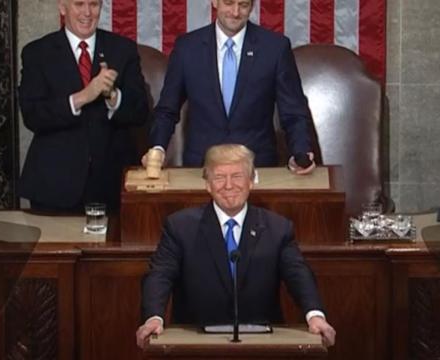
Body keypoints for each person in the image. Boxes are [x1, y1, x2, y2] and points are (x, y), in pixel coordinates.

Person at [136, 144, 335, 348]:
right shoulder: (180, 227)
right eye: (220, 177)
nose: (228, 185)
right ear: (207, 184)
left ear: (251, 182)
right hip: (196, 343)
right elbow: (160, 274)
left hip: (262, 344)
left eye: (237, 176)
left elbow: (298, 274)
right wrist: (154, 318)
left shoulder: (277, 228)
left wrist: (315, 315)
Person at [143, 0, 316, 175]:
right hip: (201, 168)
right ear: (215, 2)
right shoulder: (187, 48)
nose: (235, 12)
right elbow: (167, 109)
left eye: (243, 5)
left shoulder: (275, 48)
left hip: (257, 168)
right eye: (229, 3)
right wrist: (158, 149)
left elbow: (293, 112)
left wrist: (300, 153)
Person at [18, 0, 149, 212]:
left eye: (94, 5)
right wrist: (83, 97)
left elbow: (140, 111)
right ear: (62, 7)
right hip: (55, 185)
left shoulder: (122, 49)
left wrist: (112, 96)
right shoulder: (37, 53)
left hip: (111, 184)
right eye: (79, 4)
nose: (87, 13)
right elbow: (32, 115)